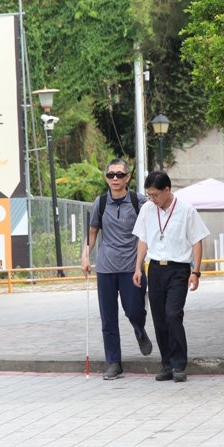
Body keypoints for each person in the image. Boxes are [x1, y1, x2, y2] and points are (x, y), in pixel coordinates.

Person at [133, 171, 209, 383]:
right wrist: (138, 267)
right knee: (158, 317)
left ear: (167, 190)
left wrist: (196, 272)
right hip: (155, 268)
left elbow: (197, 241)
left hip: (178, 270)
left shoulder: (186, 210)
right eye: (149, 195)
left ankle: (179, 364)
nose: (152, 199)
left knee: (173, 314)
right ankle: (166, 363)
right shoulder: (148, 210)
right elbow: (143, 240)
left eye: (155, 194)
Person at [81, 158, 152, 380]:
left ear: (128, 177)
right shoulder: (100, 203)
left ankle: (140, 330)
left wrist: (140, 264)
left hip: (132, 268)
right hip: (106, 268)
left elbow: (147, 233)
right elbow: (92, 234)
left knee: (134, 310)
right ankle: (114, 362)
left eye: (119, 175)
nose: (115, 179)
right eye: (110, 175)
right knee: (108, 318)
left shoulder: (139, 202)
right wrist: (85, 256)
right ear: (106, 177)